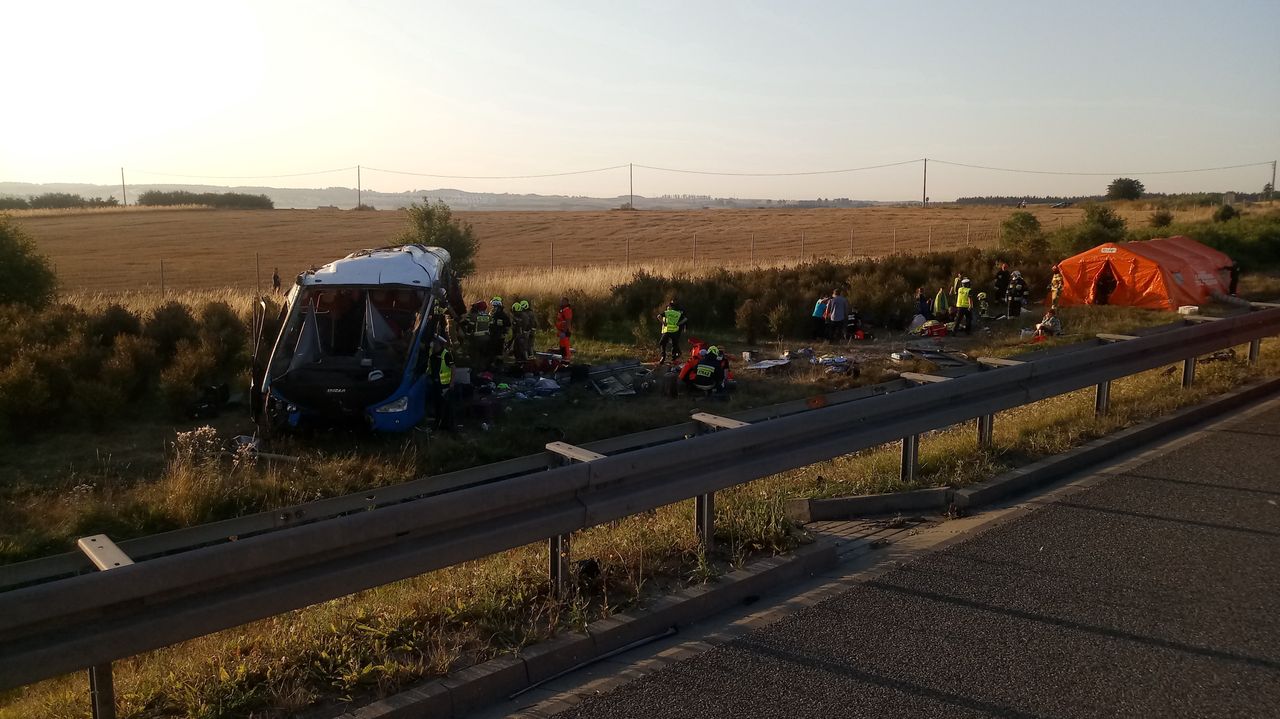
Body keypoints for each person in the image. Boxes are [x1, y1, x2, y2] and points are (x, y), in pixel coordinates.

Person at [425, 335, 456, 431]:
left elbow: (453, 369)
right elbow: (429, 368)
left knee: (446, 406)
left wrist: (451, 384)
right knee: (436, 405)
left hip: (444, 385)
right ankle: (437, 424)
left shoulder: (446, 354)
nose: (432, 344)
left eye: (434, 342)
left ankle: (448, 426)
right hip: (434, 384)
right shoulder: (432, 353)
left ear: (439, 343)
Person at [657, 298, 688, 363]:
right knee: (674, 343)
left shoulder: (668, 312)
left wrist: (663, 323)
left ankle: (666, 356)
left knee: (664, 343)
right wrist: (679, 324)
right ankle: (674, 357)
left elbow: (659, 316)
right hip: (674, 330)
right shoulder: (678, 312)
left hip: (667, 330)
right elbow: (685, 319)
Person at [488, 297, 511, 364]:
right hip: (492, 335)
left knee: (499, 351)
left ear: (498, 307)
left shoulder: (503, 315)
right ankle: (492, 364)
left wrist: (504, 332)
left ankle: (499, 364)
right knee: (492, 351)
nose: (493, 308)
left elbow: (508, 325)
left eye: (494, 306)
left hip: (499, 336)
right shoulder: (492, 314)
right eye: (492, 306)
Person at [555, 297, 573, 362]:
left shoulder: (567, 310)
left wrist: (565, 331)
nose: (561, 302)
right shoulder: (562, 310)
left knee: (565, 346)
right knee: (562, 346)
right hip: (561, 331)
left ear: (566, 302)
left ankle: (567, 359)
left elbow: (568, 321)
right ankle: (563, 358)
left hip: (565, 331)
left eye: (563, 301)